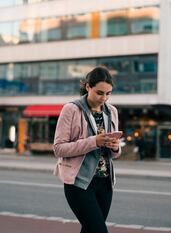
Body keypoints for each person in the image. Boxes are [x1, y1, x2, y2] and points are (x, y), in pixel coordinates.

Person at [53, 66, 121, 233]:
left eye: (108, 94)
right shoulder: (71, 109)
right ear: (88, 87)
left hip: (105, 183)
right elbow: (59, 148)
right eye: (99, 93)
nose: (104, 98)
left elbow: (114, 154)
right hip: (79, 182)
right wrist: (94, 142)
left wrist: (115, 147)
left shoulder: (112, 111)